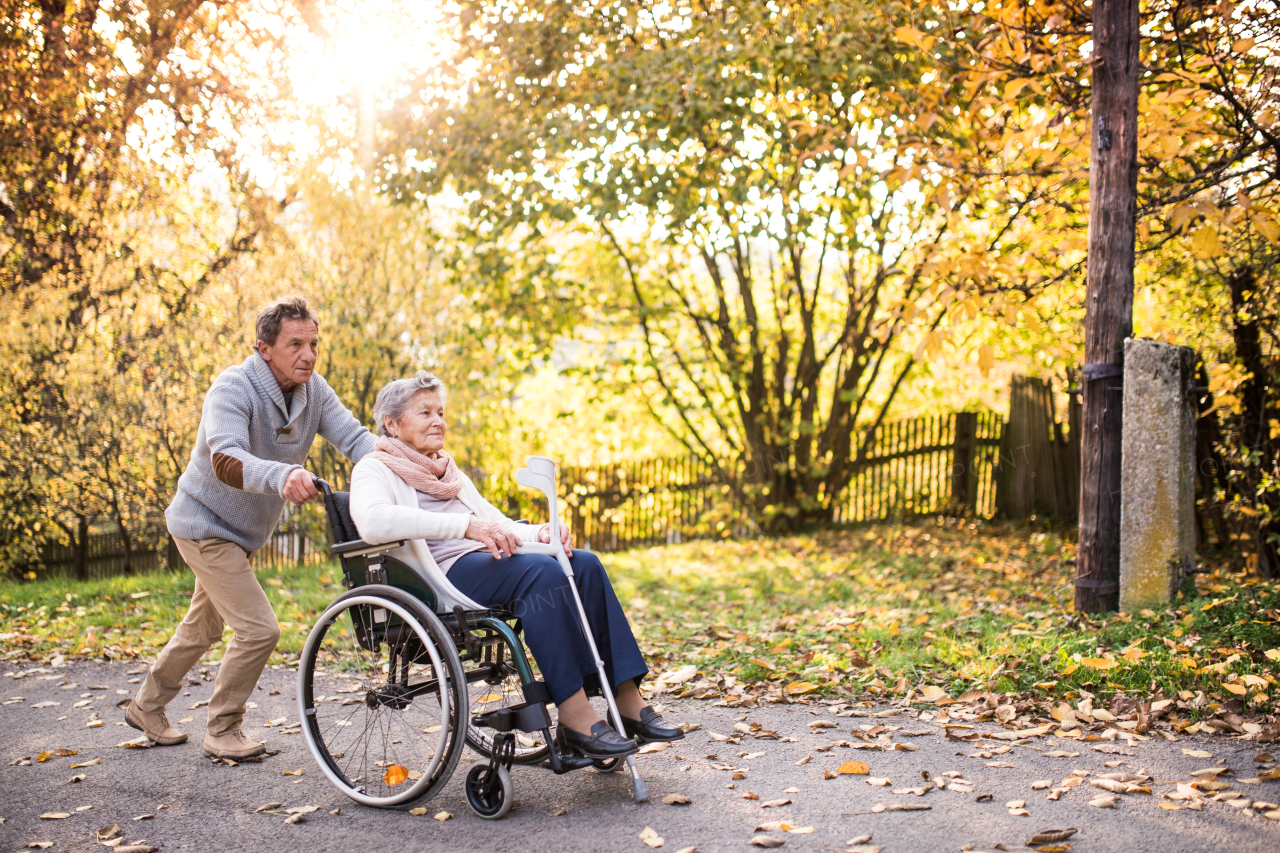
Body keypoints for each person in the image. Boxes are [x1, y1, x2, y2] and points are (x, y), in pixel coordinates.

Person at [349, 371, 683, 760]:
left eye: (440, 411)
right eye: (425, 412)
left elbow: (497, 522)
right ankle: (575, 717)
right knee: (541, 575)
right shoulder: (374, 468)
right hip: (439, 577)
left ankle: (627, 701)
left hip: (482, 561)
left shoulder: (447, 471)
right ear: (392, 423)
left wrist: (540, 534)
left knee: (584, 564)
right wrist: (466, 526)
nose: (438, 420)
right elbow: (372, 522)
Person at [127, 297, 377, 760]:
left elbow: (356, 437)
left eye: (314, 344)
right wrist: (282, 476)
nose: (308, 354)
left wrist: (407, 462)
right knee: (260, 630)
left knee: (201, 629)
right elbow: (225, 458)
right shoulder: (233, 387)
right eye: (295, 344)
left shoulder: (314, 392)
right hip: (203, 524)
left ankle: (146, 706)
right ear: (264, 348)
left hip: (241, 535)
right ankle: (223, 729)